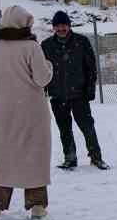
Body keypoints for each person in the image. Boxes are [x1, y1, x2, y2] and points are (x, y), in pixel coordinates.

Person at [0, 5, 54, 220]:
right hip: (32, 112)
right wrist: (49, 65)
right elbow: (42, 79)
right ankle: (37, 207)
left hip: (4, 112)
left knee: (4, 159)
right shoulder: (31, 47)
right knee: (35, 157)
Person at [42, 11, 108, 171]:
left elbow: (91, 68)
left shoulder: (81, 42)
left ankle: (96, 158)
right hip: (57, 95)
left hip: (79, 94)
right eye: (57, 26)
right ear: (53, 28)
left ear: (69, 25)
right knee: (64, 129)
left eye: (64, 25)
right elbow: (41, 71)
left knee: (87, 127)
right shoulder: (46, 46)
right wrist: (44, 90)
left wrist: (90, 90)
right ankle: (70, 158)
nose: (61, 29)